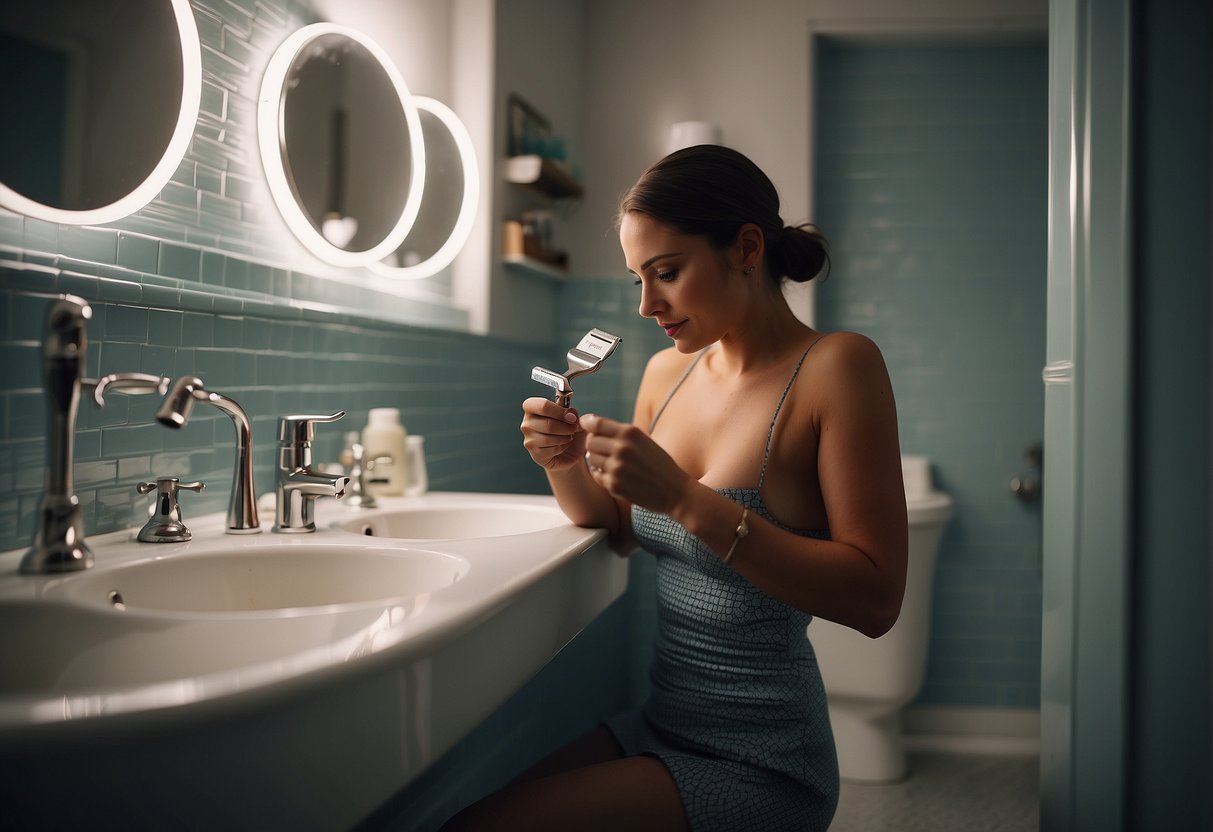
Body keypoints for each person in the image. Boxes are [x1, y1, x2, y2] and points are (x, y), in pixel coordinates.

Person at [441, 145, 907, 832]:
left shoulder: (836, 367)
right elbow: (620, 529)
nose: (645, 305)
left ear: (746, 248)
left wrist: (685, 499)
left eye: (665, 273)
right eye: (638, 279)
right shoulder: (667, 372)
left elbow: (876, 600)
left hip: (764, 759)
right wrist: (562, 462)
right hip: (662, 722)